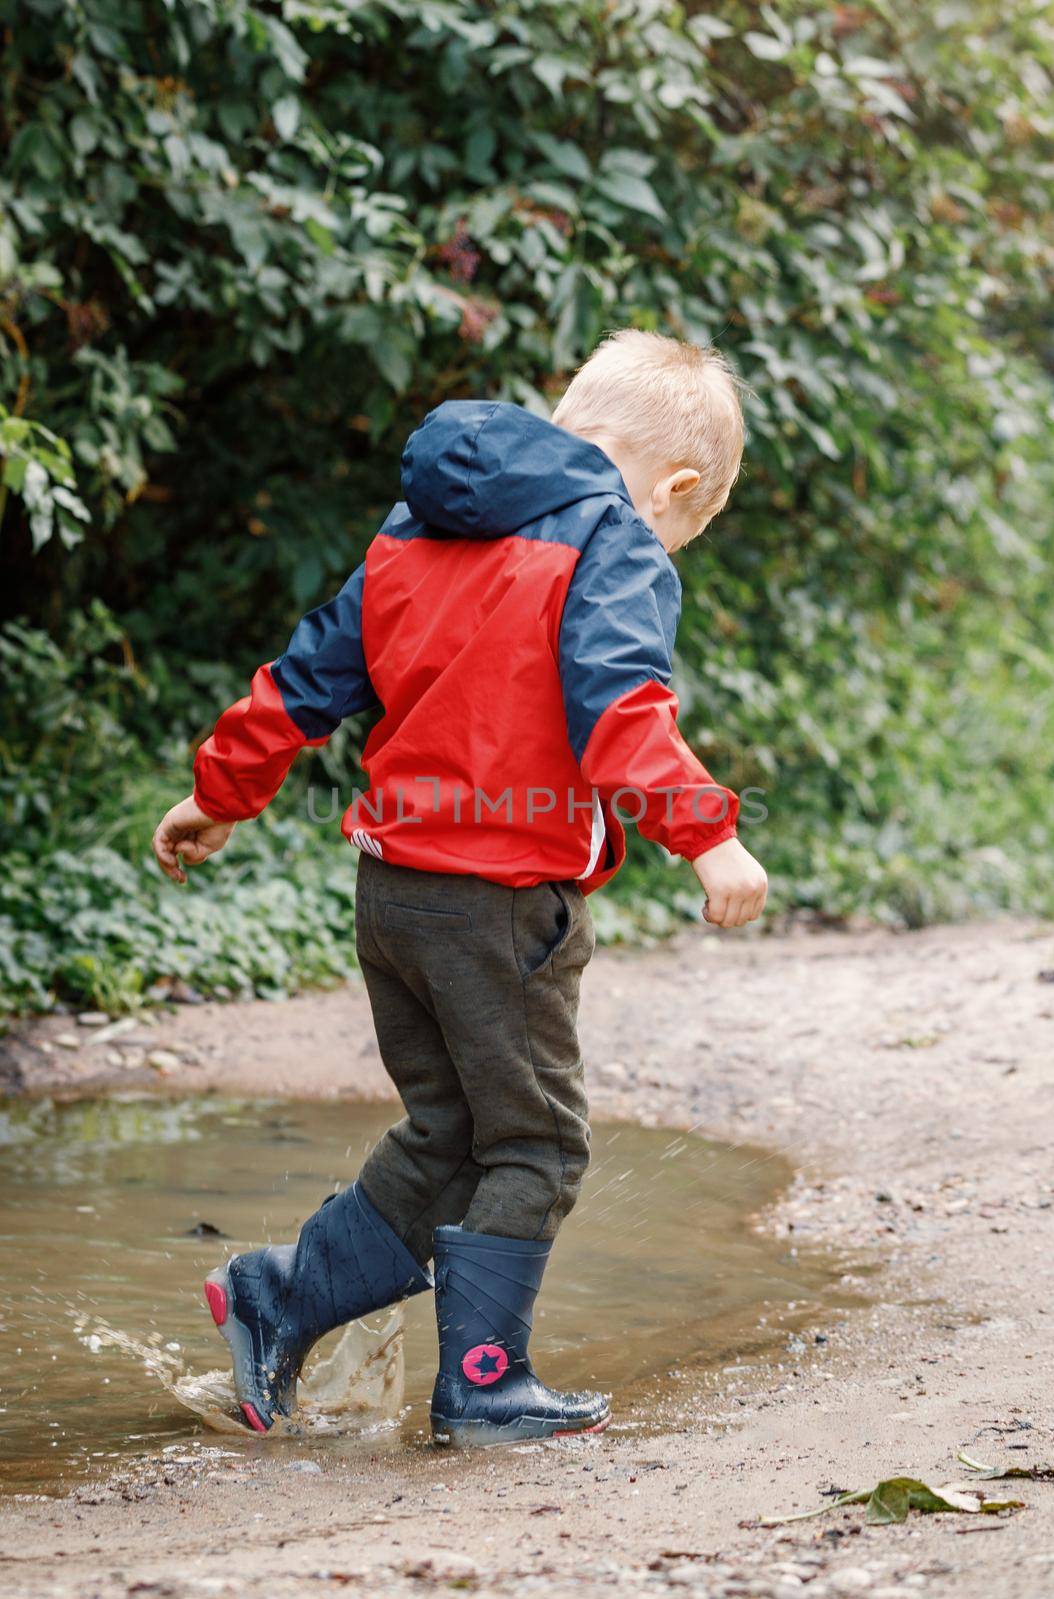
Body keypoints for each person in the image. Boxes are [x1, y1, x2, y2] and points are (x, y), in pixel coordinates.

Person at [152, 329, 768, 1446]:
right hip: (497, 906)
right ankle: (484, 1381)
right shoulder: (611, 538)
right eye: (686, 523)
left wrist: (218, 795)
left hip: (391, 890)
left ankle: (275, 1295)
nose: (669, 539)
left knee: (448, 1135)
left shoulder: (417, 524)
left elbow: (306, 680)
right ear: (674, 486)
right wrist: (707, 836)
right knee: (534, 1145)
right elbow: (620, 702)